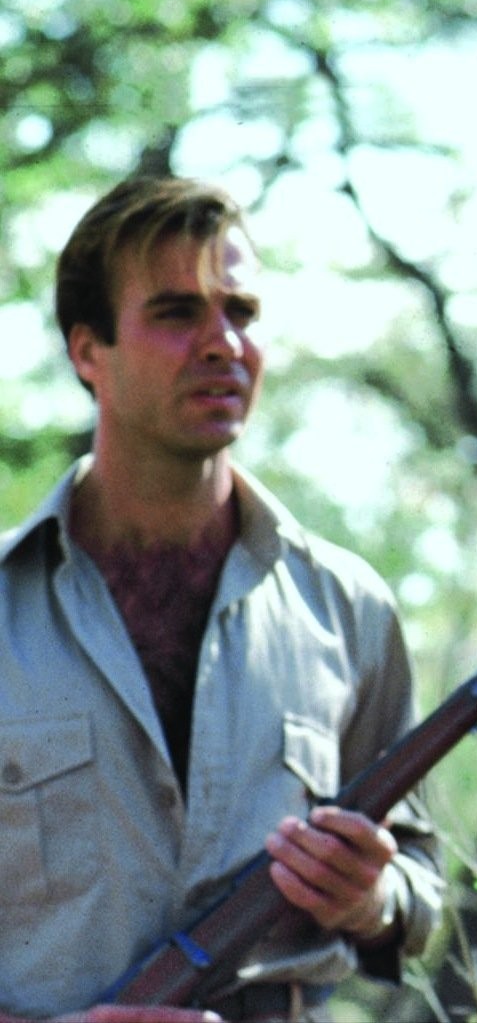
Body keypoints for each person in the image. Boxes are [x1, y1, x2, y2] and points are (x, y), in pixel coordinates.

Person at [0, 176, 442, 1020]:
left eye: (241, 311)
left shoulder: (349, 612)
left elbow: (421, 888)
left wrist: (372, 896)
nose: (223, 343)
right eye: (176, 312)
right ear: (88, 351)